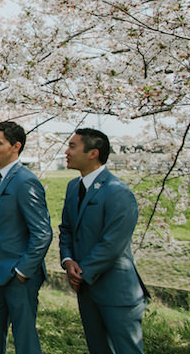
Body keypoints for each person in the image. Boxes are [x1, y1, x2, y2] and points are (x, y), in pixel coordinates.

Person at [59, 128, 148, 354]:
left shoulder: (118, 192)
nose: (66, 151)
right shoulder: (72, 188)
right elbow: (67, 229)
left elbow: (113, 244)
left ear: (93, 153)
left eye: (72, 146)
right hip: (87, 292)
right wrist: (68, 260)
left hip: (116, 291)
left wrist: (82, 273)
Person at [0, 121, 52, 354]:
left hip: (19, 275)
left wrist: (23, 271)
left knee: (24, 336)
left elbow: (42, 233)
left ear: (16, 146)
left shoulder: (25, 181)